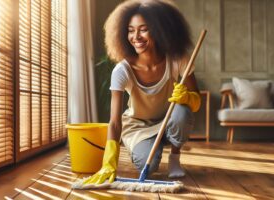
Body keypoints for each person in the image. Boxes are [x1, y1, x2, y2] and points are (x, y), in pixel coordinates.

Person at [84, 0, 201, 184]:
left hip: (169, 117)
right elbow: (114, 122)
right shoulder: (122, 70)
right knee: (148, 165)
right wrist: (109, 163)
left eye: (143, 29)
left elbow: (197, 102)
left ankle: (174, 158)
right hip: (138, 126)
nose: (135, 36)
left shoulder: (178, 58)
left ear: (159, 30)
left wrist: (187, 97)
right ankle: (154, 147)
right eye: (130, 30)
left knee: (182, 111)